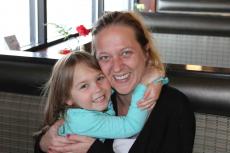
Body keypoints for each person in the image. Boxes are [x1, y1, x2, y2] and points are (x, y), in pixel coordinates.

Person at [34, 11, 195, 153]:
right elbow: (51, 137)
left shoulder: (174, 107)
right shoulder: (97, 98)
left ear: (146, 53)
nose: (117, 67)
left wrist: (96, 150)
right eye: (105, 57)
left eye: (126, 53)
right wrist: (44, 143)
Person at [41, 51, 167, 141]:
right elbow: (130, 126)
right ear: (67, 98)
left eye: (100, 78)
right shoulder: (82, 120)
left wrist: (157, 81)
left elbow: (115, 86)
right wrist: (143, 85)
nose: (98, 88)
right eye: (84, 86)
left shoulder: (88, 102)